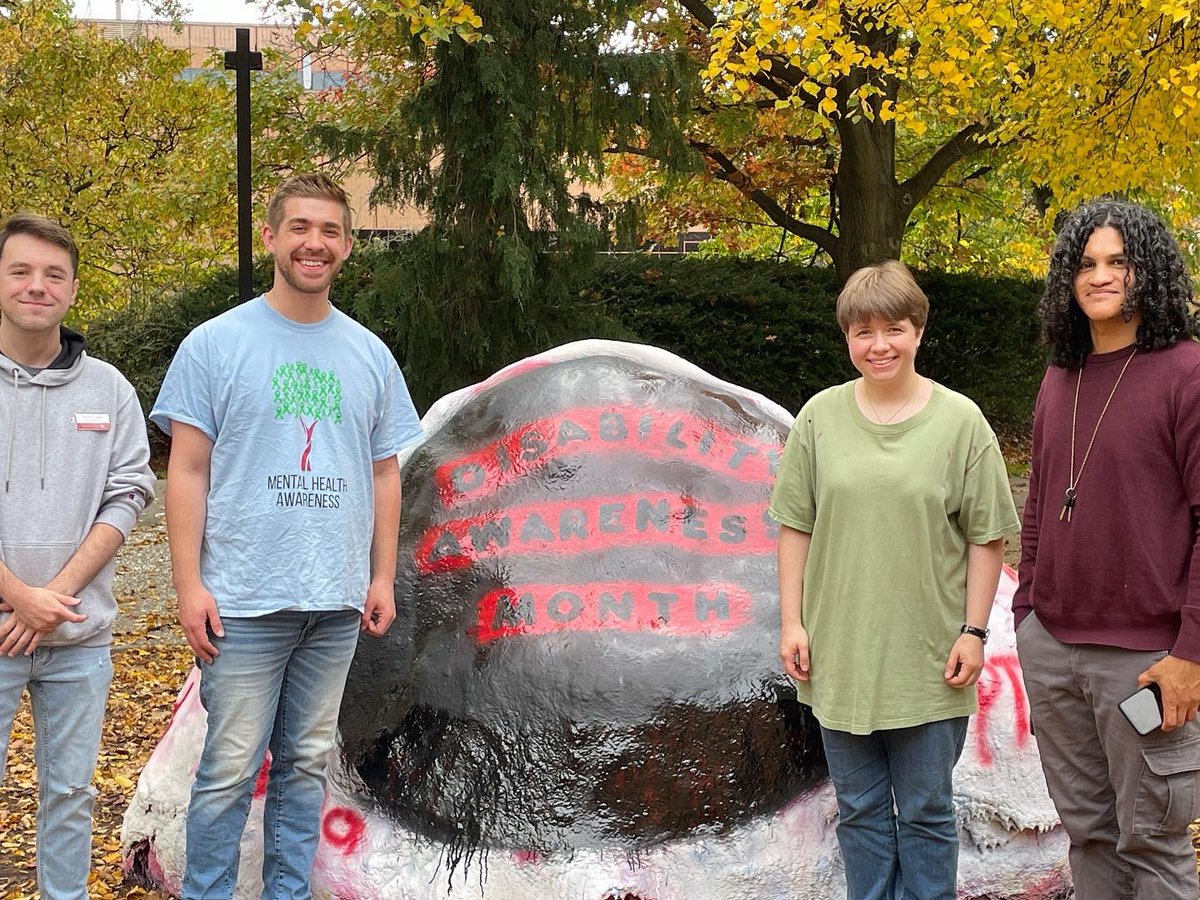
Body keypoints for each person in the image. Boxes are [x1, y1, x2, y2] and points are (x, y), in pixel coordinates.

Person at [150, 173, 423, 900]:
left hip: (333, 602)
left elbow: (385, 472)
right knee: (230, 770)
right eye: (300, 227)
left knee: (305, 765)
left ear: (347, 246)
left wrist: (382, 576)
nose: (315, 242)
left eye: (330, 230)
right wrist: (188, 586)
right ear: (270, 236)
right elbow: (187, 471)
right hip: (241, 600)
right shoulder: (215, 344)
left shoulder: (368, 354)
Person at [769, 260, 1018, 900]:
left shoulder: (961, 423)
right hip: (840, 652)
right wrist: (793, 620)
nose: (879, 345)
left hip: (930, 657)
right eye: (863, 332)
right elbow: (794, 525)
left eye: (894, 329)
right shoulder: (819, 420)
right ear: (847, 338)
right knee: (860, 810)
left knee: (929, 812)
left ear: (918, 332)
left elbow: (987, 537)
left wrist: (973, 631)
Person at [1014, 199, 1200, 899]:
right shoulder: (1060, 378)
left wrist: (1190, 654)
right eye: (1086, 263)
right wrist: (1027, 611)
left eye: (1118, 261)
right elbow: (1036, 505)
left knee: (1151, 842)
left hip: (1147, 660)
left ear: (1147, 271)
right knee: (1088, 834)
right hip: (1053, 648)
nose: (1100, 276)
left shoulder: (1187, 373)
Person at [0, 213, 155, 900]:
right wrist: (18, 596)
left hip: (80, 638)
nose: (37, 286)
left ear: (71, 288)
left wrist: (52, 595)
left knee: (71, 795)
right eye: (21, 271)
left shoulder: (111, 391)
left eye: (53, 275)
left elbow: (128, 494)